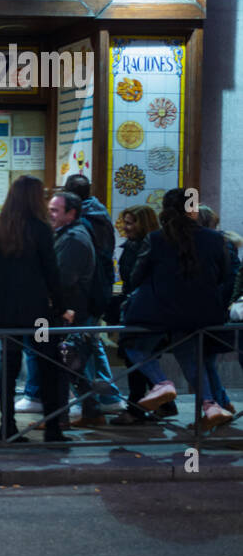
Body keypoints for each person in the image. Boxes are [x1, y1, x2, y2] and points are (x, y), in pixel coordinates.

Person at [122, 188, 235, 433]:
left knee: (132, 344)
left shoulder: (156, 239)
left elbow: (136, 276)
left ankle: (162, 383)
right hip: (203, 313)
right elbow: (225, 275)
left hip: (159, 312)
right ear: (192, 210)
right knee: (190, 356)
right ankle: (210, 405)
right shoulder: (216, 239)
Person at [0, 175, 68, 444]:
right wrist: (62, 305)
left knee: (8, 369)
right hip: (38, 315)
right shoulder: (40, 229)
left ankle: (6, 427)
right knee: (47, 364)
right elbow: (51, 271)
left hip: (6, 316)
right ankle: (53, 428)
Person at [62, 174, 124, 413]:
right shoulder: (100, 215)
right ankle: (109, 398)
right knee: (91, 342)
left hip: (86, 292)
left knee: (82, 345)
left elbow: (78, 264)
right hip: (101, 288)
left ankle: (90, 401)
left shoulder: (82, 223)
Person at [49, 191, 102, 428]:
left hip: (70, 313)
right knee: (70, 365)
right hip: (71, 311)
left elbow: (63, 280)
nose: (50, 214)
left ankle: (59, 418)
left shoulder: (73, 239)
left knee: (64, 363)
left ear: (71, 214)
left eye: (55, 210)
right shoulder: (69, 234)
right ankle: (89, 411)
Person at [110, 205, 159, 422]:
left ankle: (136, 408)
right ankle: (162, 402)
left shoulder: (144, 248)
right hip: (139, 307)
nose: (126, 227)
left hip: (140, 310)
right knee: (140, 357)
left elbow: (136, 278)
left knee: (136, 357)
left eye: (130, 223)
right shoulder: (134, 246)